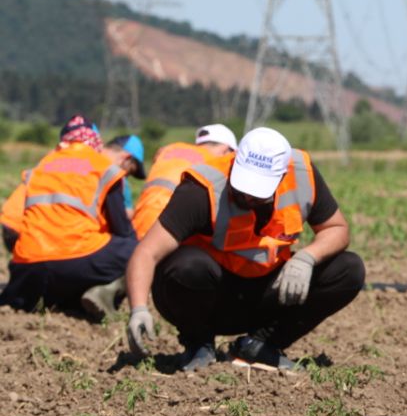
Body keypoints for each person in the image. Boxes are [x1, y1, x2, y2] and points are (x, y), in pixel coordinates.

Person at [124, 126, 365, 373]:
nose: (248, 196)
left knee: (349, 269)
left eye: (257, 192)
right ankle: (199, 344)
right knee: (186, 266)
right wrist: (138, 309)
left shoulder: (302, 174)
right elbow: (146, 252)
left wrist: (305, 258)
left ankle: (260, 346)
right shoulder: (201, 189)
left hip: (267, 295)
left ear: (281, 177)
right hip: (211, 299)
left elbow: (337, 228)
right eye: (243, 186)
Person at [1, 115, 137, 318]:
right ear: (95, 141)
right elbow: (122, 230)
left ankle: (41, 294)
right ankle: (103, 295)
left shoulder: (40, 167)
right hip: (77, 263)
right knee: (136, 248)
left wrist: (25, 258)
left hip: (29, 269)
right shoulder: (104, 168)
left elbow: (9, 226)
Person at [133, 124, 238, 239]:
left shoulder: (169, 149)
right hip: (167, 232)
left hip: (138, 225)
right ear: (225, 149)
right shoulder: (215, 163)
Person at [104, 135, 148, 217]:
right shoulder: (120, 180)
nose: (126, 176)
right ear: (126, 158)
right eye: (129, 171)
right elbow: (127, 215)